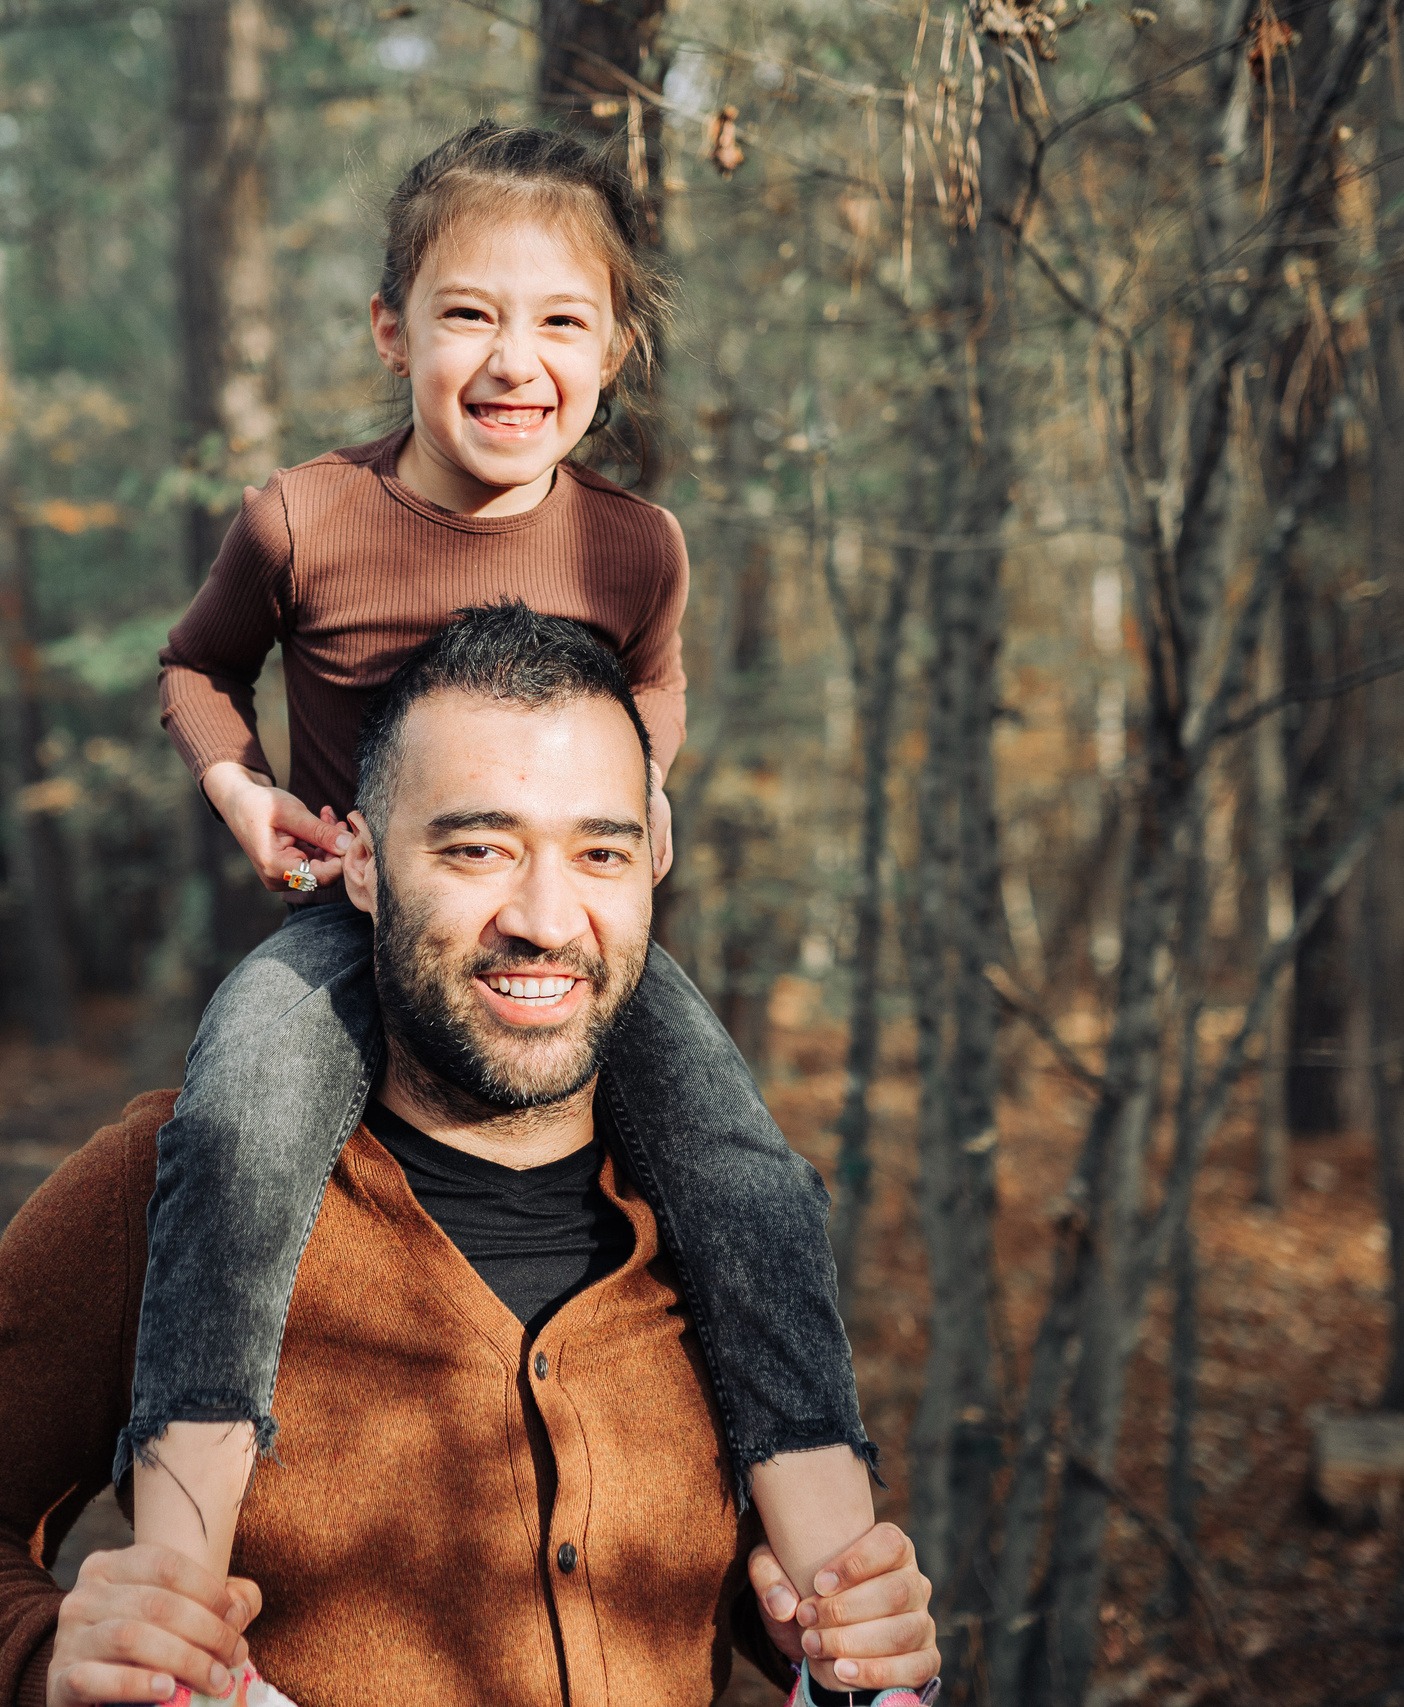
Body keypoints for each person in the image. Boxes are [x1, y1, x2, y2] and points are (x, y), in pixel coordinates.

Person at [0, 604, 940, 1706]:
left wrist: (836, 1631)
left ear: (652, 860)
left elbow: (740, 1588)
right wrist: (48, 1663)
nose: (546, 918)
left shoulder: (725, 1226)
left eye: (598, 851)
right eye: (477, 848)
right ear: (361, 863)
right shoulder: (180, 1185)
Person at [145, 122, 881, 1700]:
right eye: (470, 313)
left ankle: (846, 1613)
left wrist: (646, 789)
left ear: (615, 347)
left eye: (562, 321)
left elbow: (659, 680)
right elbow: (196, 667)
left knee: (749, 1171)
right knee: (234, 1126)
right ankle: (177, 1606)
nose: (514, 360)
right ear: (391, 329)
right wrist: (244, 788)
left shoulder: (635, 543)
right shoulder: (301, 520)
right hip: (365, 924)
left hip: (571, 942)